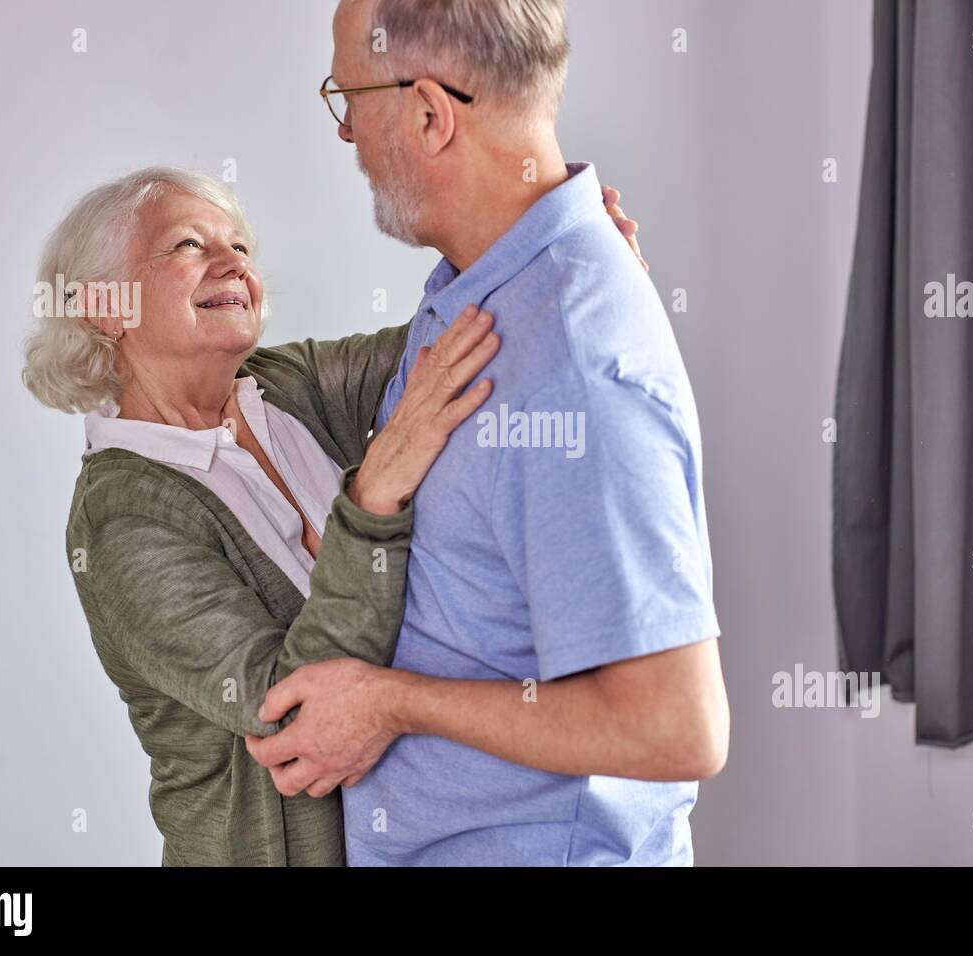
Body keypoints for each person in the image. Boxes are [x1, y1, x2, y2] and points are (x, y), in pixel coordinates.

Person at [21, 165, 642, 865]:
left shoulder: (286, 386)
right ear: (108, 306)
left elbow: (454, 349)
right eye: (188, 246)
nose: (234, 263)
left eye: (241, 248)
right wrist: (373, 497)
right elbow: (296, 707)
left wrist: (567, 276)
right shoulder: (120, 519)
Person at [247, 0, 729, 866]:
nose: (347, 132)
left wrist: (393, 702)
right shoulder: (489, 287)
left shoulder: (573, 364)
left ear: (430, 113)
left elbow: (674, 727)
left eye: (347, 96)